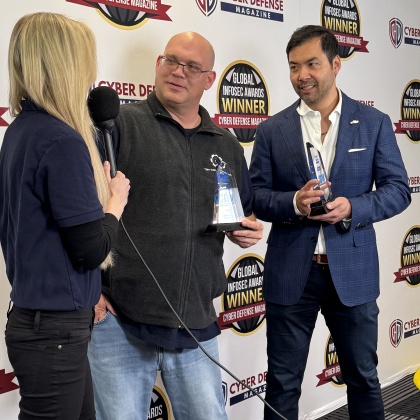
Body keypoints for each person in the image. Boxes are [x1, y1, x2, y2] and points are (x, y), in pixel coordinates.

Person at [87, 32, 263, 420]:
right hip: (119, 321)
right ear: (158, 65)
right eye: (171, 61)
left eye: (192, 67)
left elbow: (238, 214)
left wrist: (243, 229)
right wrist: (90, 291)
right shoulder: (117, 128)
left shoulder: (227, 145)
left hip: (196, 322)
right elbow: (80, 216)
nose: (178, 72)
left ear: (210, 79)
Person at [249, 25, 411, 420]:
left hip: (353, 272)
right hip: (292, 274)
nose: (301, 75)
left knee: (363, 379)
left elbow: (398, 190)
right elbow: (256, 196)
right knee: (282, 383)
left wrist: (354, 207)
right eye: (293, 66)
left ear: (336, 64)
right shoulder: (271, 130)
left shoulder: (373, 122)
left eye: (311, 64)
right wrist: (294, 203)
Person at [0, 12, 130, 419]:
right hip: (54, 333)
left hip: (44, 326)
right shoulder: (62, 141)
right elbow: (90, 250)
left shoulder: (21, 130)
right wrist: (115, 203)